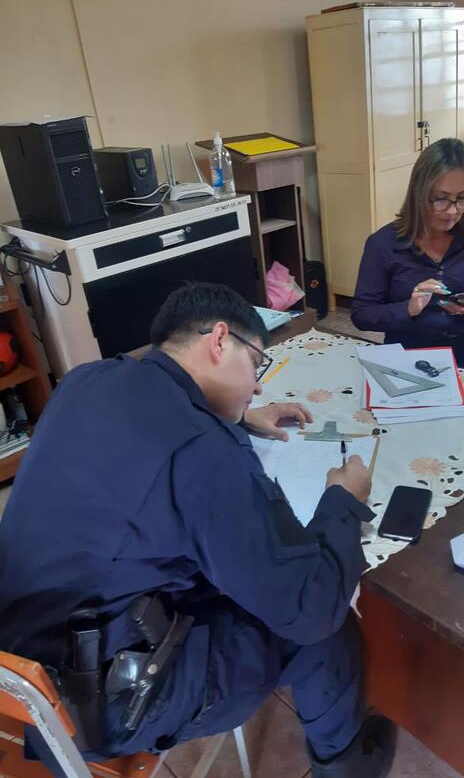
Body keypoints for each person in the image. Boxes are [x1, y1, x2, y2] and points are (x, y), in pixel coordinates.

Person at [0, 282, 396, 778]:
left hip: (25, 660)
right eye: (257, 365)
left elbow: (155, 433)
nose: (256, 386)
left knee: (233, 572)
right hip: (103, 703)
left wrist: (236, 415)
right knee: (323, 623)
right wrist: (343, 501)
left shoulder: (88, 379)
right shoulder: (205, 452)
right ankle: (347, 765)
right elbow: (308, 609)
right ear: (220, 340)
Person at [351, 138, 464, 375]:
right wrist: (409, 308)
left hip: (463, 349)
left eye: (463, 198)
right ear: (419, 193)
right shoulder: (383, 244)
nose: (453, 211)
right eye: (441, 198)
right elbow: (361, 315)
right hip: (404, 351)